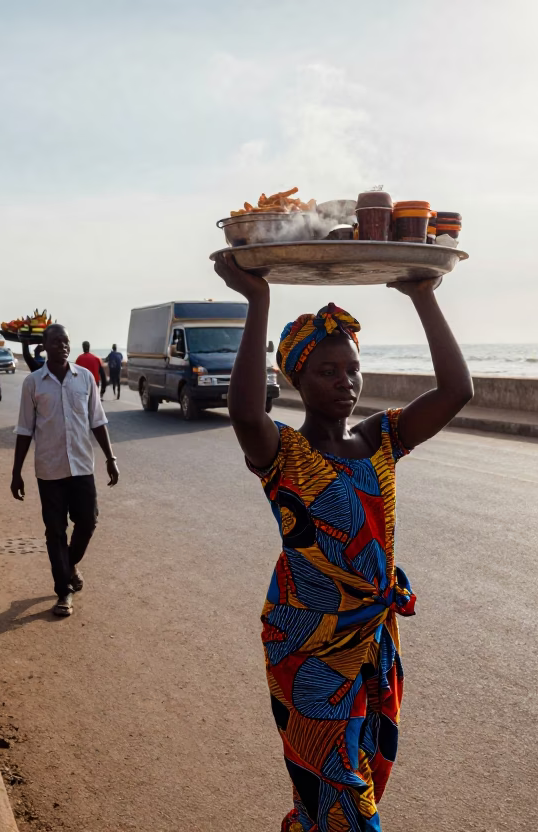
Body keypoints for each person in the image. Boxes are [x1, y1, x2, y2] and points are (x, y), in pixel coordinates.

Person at [213, 253, 474, 831]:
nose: (345, 382)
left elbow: (457, 389)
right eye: (328, 371)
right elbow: (240, 411)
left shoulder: (381, 439)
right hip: (308, 644)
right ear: (296, 379)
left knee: (359, 777)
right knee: (345, 798)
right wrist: (258, 302)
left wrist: (423, 295)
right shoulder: (282, 453)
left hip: (374, 637)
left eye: (352, 369)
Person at [10, 324, 119, 617]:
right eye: (56, 341)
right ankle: (63, 591)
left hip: (82, 466)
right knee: (55, 531)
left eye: (66, 341)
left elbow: (98, 420)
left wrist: (111, 458)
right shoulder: (33, 383)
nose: (63, 345)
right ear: (44, 345)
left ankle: (68, 564)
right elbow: (24, 429)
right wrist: (16, 471)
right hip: (50, 469)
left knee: (88, 521)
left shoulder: (84, 378)